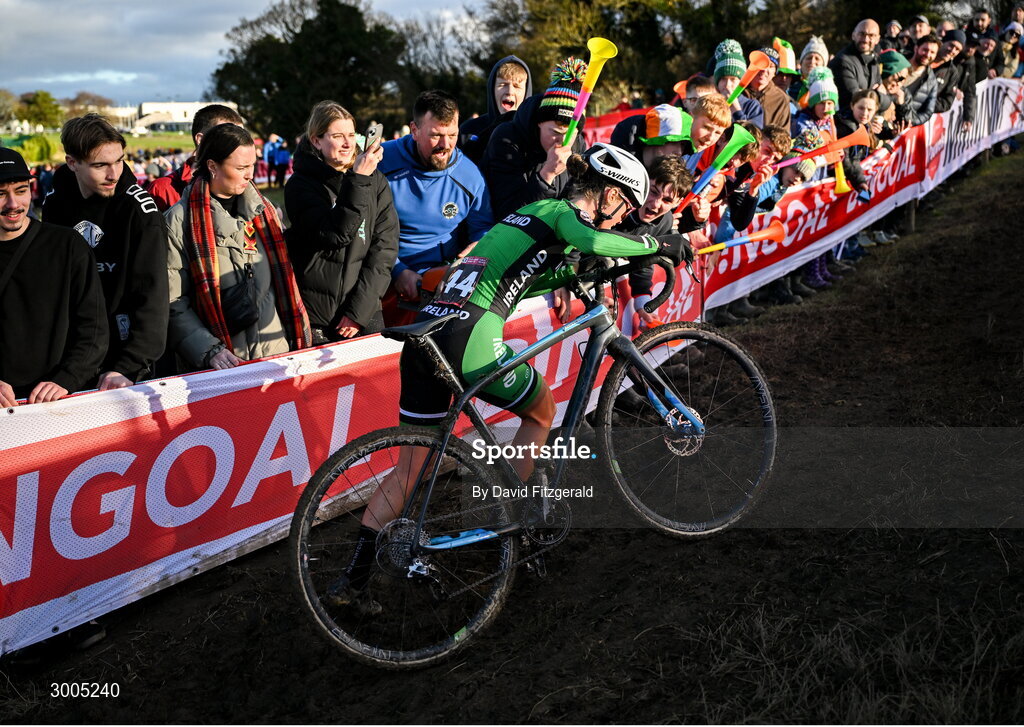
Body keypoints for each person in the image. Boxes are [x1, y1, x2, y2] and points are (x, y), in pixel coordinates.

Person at [329, 143, 692, 608]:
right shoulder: (565, 213)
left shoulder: (535, 211)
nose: (623, 218)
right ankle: (513, 518)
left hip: (429, 335)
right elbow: (595, 241)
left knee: (410, 469)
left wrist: (583, 271)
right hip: (468, 335)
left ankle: (350, 584)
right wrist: (656, 243)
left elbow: (529, 273)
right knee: (541, 407)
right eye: (623, 207)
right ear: (605, 194)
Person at [165, 123, 311, 371]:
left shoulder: (263, 211)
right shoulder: (179, 221)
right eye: (241, 168)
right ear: (212, 166)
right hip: (221, 365)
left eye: (252, 165)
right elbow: (173, 300)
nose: (250, 175)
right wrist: (208, 350)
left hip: (276, 355)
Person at [42, 113, 169, 390]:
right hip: (71, 358)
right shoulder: (55, 204)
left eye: (119, 161)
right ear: (72, 163)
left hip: (123, 365)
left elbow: (153, 296)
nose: (113, 174)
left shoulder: (140, 211)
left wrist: (128, 366)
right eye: (100, 165)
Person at [285, 101, 399, 343]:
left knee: (374, 379)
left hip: (365, 310)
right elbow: (334, 234)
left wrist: (358, 312)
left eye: (351, 135)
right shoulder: (300, 185)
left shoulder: (375, 180)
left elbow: (384, 249)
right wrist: (357, 179)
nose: (348, 144)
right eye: (337, 136)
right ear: (316, 140)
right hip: (317, 315)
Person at [0, 147, 107, 405]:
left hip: (56, 404)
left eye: (21, 191)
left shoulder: (68, 245)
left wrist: (66, 379)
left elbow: (93, 329)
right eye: (0, 194)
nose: (13, 204)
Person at [379, 90, 492, 318]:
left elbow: (484, 230)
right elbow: (364, 232)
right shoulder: (381, 162)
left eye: (452, 134)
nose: (446, 145)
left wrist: (475, 250)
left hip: (444, 281)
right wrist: (397, 270)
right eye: (436, 135)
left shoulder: (470, 176)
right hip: (383, 276)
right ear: (414, 130)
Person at [482, 57, 590, 219]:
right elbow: (507, 215)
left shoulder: (578, 143)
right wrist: (546, 175)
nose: (563, 141)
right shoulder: (507, 140)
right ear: (538, 124)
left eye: (570, 135)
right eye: (555, 132)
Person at [149, 104, 245, 213]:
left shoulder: (243, 182)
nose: (239, 145)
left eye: (242, 137)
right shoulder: (161, 190)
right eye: (228, 138)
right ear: (201, 140)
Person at [459, 56, 533, 164]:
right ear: (492, 89)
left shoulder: (537, 134)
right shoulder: (468, 131)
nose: (510, 91)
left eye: (517, 86)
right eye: (503, 85)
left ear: (526, 92)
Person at [828, 19, 884, 110]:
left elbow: (883, 91)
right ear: (853, 35)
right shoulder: (843, 61)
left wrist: (875, 95)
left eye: (871, 35)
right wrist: (878, 95)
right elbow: (855, 99)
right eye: (862, 34)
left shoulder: (874, 60)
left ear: (877, 39)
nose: (865, 39)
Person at [713, 40, 766, 127]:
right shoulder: (709, 103)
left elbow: (754, 137)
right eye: (723, 79)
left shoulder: (752, 106)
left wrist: (736, 110)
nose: (727, 85)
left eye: (733, 79)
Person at [933, 30, 975, 133]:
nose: (952, 51)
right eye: (951, 45)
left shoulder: (952, 72)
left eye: (957, 49)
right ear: (943, 42)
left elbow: (947, 102)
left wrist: (926, 104)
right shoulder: (925, 57)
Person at [743, 46, 792, 130]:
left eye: (771, 66)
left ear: (774, 73)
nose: (764, 69)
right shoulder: (738, 91)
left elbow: (783, 136)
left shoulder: (781, 99)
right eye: (761, 63)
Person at [902, 34, 941, 126]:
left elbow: (928, 112)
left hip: (901, 129)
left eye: (932, 52)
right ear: (916, 48)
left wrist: (910, 121)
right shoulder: (898, 64)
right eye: (925, 50)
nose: (928, 55)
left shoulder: (931, 82)